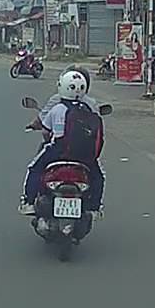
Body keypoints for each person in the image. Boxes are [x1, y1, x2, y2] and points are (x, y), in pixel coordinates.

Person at [20, 68, 106, 217]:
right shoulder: (89, 107)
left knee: (35, 168)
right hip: (84, 154)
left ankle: (29, 202)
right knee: (98, 176)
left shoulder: (57, 107)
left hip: (59, 151)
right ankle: (95, 207)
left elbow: (46, 131)